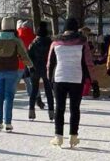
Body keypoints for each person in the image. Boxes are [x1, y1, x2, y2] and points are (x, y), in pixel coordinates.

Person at [48, 18, 94, 148]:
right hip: (76, 77)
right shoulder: (82, 43)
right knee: (75, 108)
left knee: (59, 108)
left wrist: (49, 78)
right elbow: (88, 62)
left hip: (59, 77)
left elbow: (50, 63)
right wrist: (92, 79)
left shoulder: (55, 43)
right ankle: (73, 137)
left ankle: (58, 137)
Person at [0, 18, 33, 132]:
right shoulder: (16, 40)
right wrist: (31, 66)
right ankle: (8, 123)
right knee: (9, 96)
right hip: (11, 70)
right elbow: (24, 55)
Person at [27, 21, 55, 121]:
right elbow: (53, 57)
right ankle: (51, 113)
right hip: (47, 69)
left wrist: (30, 68)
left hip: (35, 69)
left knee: (34, 91)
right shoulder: (50, 43)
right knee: (48, 91)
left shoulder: (34, 43)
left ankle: (31, 111)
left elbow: (28, 56)